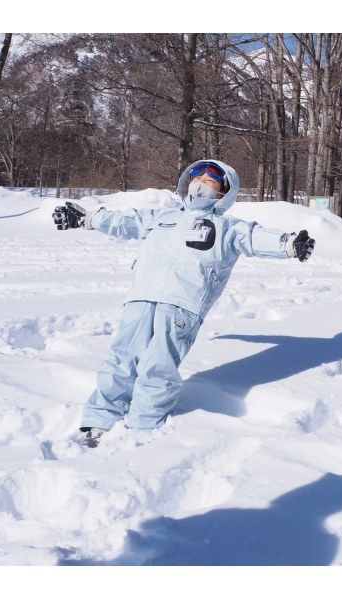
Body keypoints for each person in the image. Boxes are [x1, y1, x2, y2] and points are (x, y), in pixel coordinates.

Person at [52, 159, 316, 447]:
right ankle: (99, 419)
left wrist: (289, 243)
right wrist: (87, 218)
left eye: (211, 180)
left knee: (158, 365)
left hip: (182, 306)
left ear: (224, 192)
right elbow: (127, 221)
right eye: (196, 177)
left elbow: (254, 236)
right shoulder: (163, 217)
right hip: (141, 298)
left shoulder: (227, 226)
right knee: (122, 358)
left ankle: (141, 426)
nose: (201, 183)